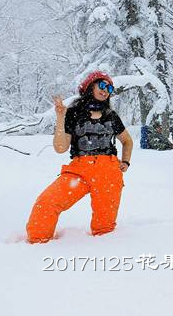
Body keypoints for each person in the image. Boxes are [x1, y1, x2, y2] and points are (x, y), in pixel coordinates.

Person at [26, 71, 133, 244]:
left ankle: (105, 253)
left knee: (104, 228)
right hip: (79, 171)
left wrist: (126, 161)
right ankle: (37, 244)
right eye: (103, 85)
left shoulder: (111, 116)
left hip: (108, 173)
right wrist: (60, 117)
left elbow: (127, 141)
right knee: (46, 203)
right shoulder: (74, 113)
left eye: (110, 88)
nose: (106, 90)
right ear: (91, 85)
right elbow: (60, 148)